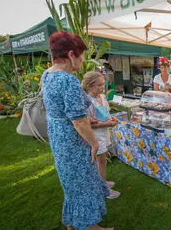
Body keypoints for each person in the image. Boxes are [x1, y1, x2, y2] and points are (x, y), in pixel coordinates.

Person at [42, 31, 113, 230]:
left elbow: (56, 108)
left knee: (71, 183)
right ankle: (90, 226)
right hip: (72, 140)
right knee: (83, 183)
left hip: (58, 137)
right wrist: (94, 143)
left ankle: (73, 222)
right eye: (81, 55)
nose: (82, 59)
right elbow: (79, 122)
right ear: (71, 55)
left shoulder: (46, 75)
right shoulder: (68, 80)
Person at [82, 71, 121, 200]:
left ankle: (102, 182)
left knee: (103, 160)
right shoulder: (88, 102)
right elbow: (90, 125)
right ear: (89, 86)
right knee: (101, 162)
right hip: (96, 136)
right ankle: (103, 189)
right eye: (99, 85)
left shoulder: (102, 97)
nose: (102, 88)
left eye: (103, 84)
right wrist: (107, 124)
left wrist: (111, 118)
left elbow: (105, 113)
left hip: (104, 133)